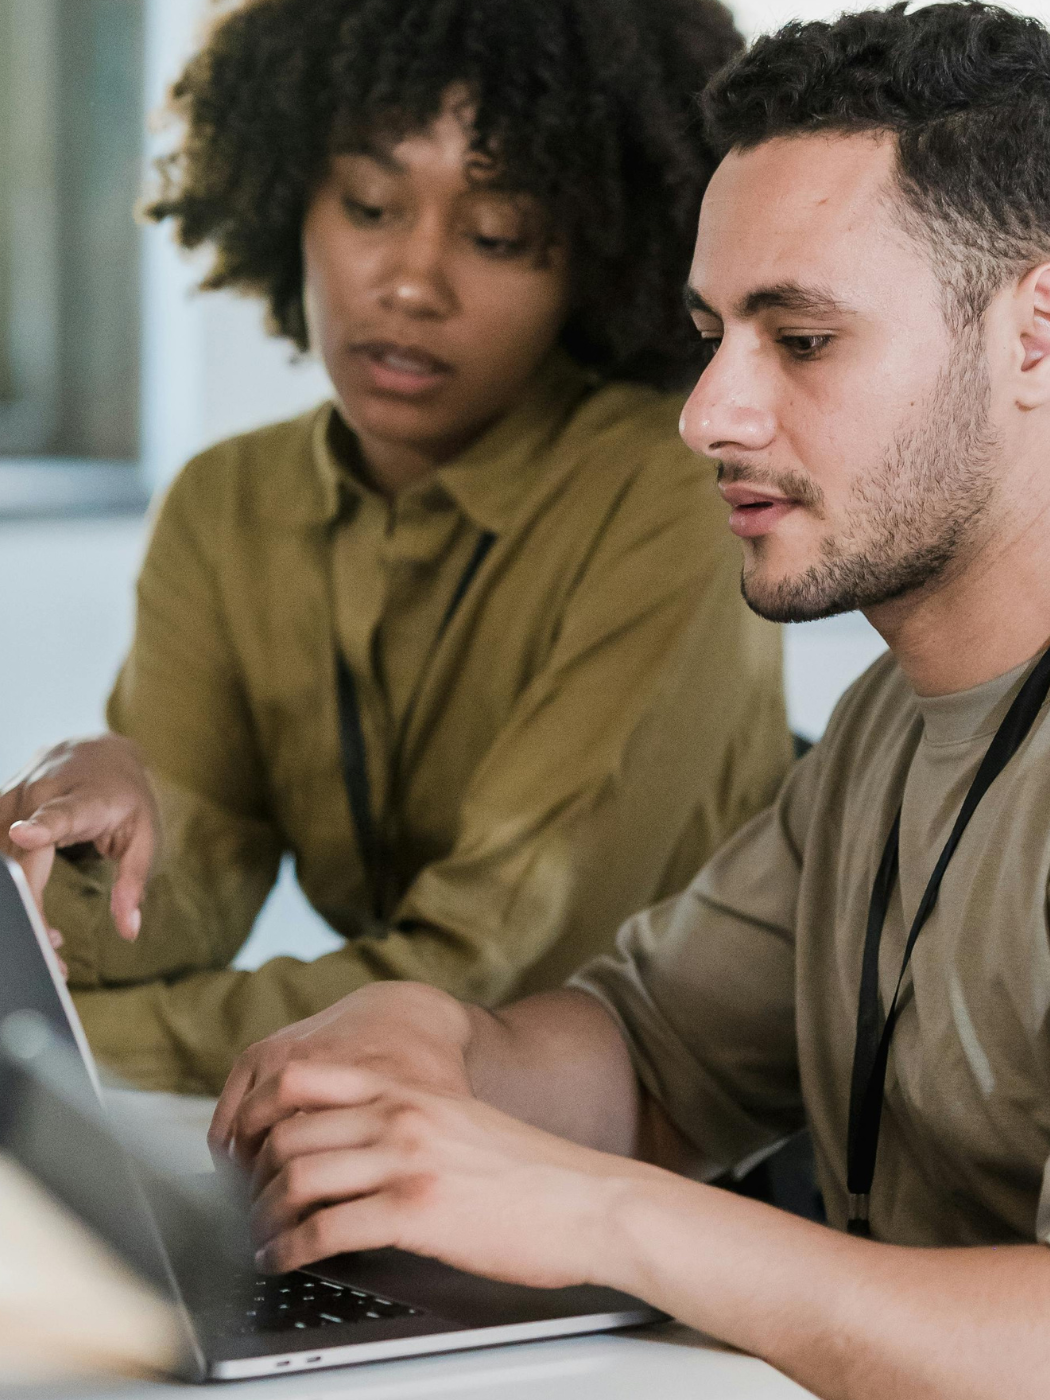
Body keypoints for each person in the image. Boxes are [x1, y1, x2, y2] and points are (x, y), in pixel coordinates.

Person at [201, 4, 1050, 1396]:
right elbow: (651, 1060)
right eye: (713, 333)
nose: (707, 412)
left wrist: (592, 1212)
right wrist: (449, 1046)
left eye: (803, 339)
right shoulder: (887, 729)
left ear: (1031, 332)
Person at [0, 0, 791, 1095]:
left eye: (499, 233)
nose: (413, 283)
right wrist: (82, 856)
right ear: (291, 197)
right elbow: (182, 893)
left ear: (600, 251)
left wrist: (57, 1054)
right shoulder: (228, 503)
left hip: (662, 1160)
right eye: (370, 205)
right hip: (377, 1136)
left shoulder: (667, 496)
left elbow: (490, 969)